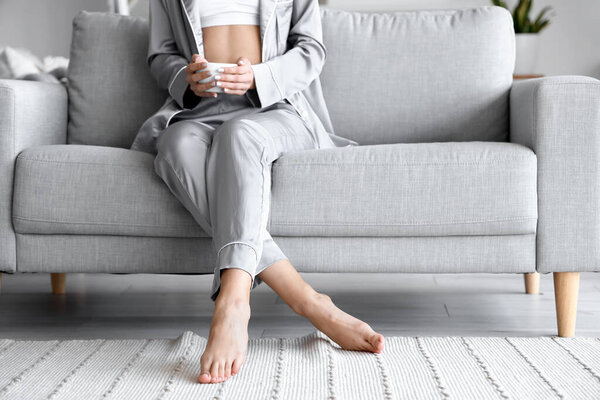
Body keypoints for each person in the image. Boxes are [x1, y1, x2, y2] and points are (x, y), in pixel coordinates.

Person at [129, 0, 385, 384]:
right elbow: (161, 54)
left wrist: (260, 77)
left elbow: (311, 49)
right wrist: (186, 78)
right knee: (174, 148)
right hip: (198, 112)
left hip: (274, 108)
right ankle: (306, 299)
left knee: (240, 134)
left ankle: (233, 302)